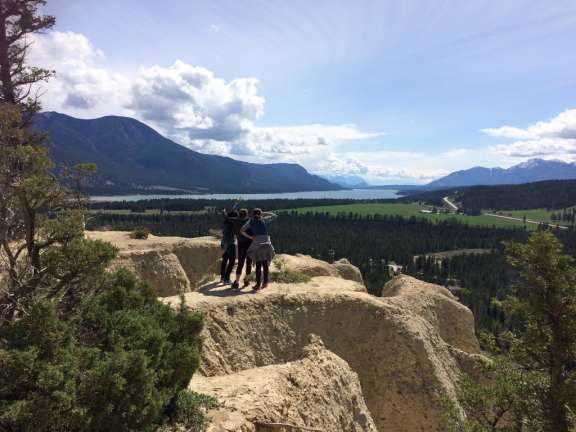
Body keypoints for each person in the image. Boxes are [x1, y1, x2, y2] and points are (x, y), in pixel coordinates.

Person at [240, 208, 277, 290]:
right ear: (260, 214)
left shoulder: (250, 222)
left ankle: (258, 284)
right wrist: (263, 213)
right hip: (267, 243)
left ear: (253, 214)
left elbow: (242, 230)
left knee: (258, 265)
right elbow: (274, 215)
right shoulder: (264, 220)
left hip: (257, 244)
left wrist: (250, 237)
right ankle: (265, 283)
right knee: (265, 264)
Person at [231, 208, 252, 289]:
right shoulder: (249, 221)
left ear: (239, 215)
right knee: (249, 263)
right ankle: (246, 281)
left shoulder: (235, 220)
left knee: (240, 264)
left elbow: (226, 217)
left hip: (241, 245)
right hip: (250, 244)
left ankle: (236, 282)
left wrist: (226, 212)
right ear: (246, 214)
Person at [220, 209, 238, 284]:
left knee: (224, 260)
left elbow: (227, 217)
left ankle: (222, 277)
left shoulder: (226, 222)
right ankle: (226, 279)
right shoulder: (233, 222)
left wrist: (224, 212)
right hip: (230, 243)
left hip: (224, 243)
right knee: (232, 261)